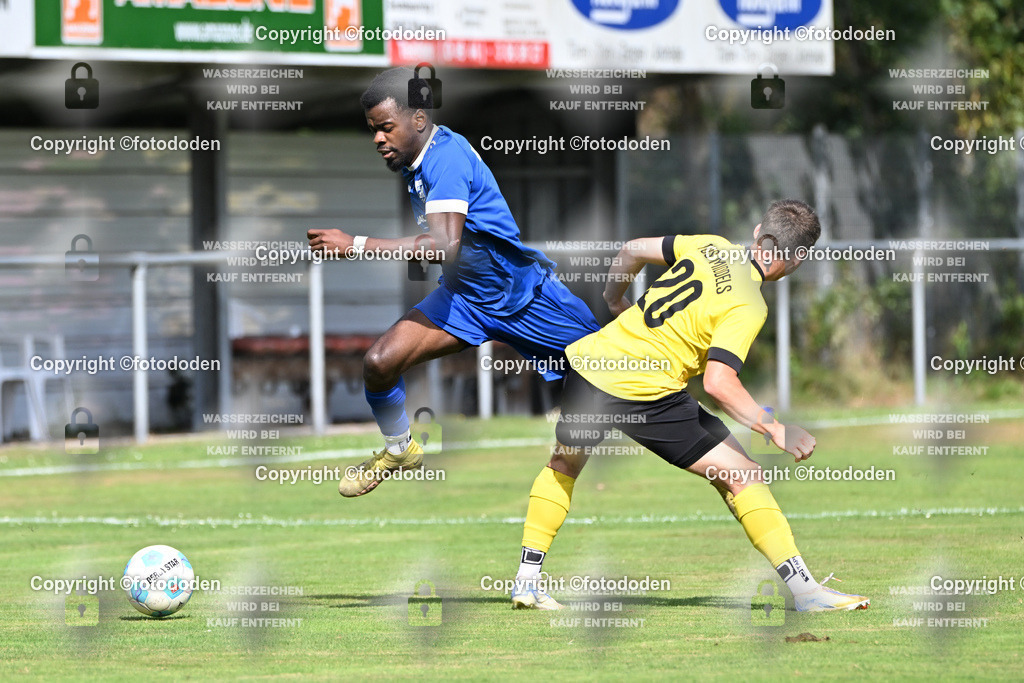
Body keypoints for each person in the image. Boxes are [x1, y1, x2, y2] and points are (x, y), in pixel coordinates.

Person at [509, 200, 870, 612]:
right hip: (643, 391)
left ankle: (526, 581)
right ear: (797, 258)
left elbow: (630, 249)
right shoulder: (749, 304)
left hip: (590, 364)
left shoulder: (710, 246)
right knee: (744, 475)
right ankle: (807, 593)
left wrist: (614, 298)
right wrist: (775, 429)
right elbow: (719, 383)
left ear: (757, 232)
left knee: (564, 465)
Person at [307, 67, 599, 497]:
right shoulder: (417, 162)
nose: (377, 140)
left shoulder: (446, 157)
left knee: (616, 377)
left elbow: (443, 245)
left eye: (386, 128)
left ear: (418, 121)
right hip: (465, 300)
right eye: (373, 130)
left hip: (524, 297)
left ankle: (707, 440)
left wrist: (355, 244)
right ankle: (399, 449)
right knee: (380, 362)